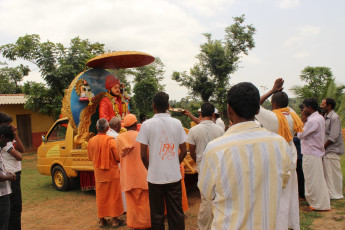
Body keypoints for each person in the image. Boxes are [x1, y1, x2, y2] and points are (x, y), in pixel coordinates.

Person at [198, 82, 293, 229]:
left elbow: (206, 191)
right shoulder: (280, 144)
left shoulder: (215, 149)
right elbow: (283, 182)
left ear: (229, 110)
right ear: (257, 110)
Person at [255, 78, 303, 230]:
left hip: (276, 158)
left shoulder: (273, 117)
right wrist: (277, 92)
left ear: (274, 104)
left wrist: (272, 90)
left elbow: (255, 105)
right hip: (291, 156)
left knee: (277, 195)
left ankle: (278, 225)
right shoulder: (293, 114)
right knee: (289, 193)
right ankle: (290, 223)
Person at [137, 92, 187, 230]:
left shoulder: (146, 125)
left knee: (157, 214)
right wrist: (174, 165)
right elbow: (183, 151)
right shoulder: (177, 123)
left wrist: (151, 168)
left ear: (154, 106)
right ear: (168, 106)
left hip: (155, 178)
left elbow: (142, 155)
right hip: (173, 177)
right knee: (176, 212)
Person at [186, 102, 224, 230]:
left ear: (201, 114)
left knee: (205, 198)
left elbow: (192, 150)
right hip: (218, 165)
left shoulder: (194, 130)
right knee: (218, 196)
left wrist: (197, 161)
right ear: (213, 114)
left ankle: (204, 227)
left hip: (203, 165)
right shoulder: (220, 129)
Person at [87, 118, 125, 227]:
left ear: (96, 127)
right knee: (114, 196)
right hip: (112, 174)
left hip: (99, 175)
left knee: (101, 197)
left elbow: (90, 157)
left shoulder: (91, 141)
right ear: (108, 128)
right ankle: (115, 221)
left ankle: (102, 220)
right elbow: (118, 158)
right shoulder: (111, 140)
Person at [117, 114, 151, 229]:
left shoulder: (119, 139)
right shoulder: (142, 137)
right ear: (136, 125)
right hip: (143, 175)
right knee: (145, 202)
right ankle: (146, 224)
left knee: (131, 204)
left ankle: (133, 224)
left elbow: (118, 157)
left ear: (125, 126)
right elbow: (148, 156)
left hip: (128, 177)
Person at [298, 98, 330, 211]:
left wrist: (302, 122)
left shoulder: (312, 121)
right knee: (316, 179)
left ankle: (317, 204)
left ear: (309, 108)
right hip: (315, 152)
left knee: (312, 179)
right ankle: (319, 203)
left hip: (311, 153)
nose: (303, 110)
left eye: (305, 107)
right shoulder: (319, 118)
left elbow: (300, 135)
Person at [0, 113, 25, 230]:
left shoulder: (7, 139)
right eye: (8, 125)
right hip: (9, 177)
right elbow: (19, 156)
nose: (11, 127)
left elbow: (22, 150)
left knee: (16, 208)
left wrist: (16, 135)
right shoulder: (3, 142)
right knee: (12, 210)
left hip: (14, 175)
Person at [320, 98, 344, 199]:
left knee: (333, 173)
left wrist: (323, 147)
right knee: (328, 174)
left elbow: (333, 137)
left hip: (332, 150)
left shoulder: (334, 118)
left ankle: (336, 194)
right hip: (327, 151)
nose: (321, 106)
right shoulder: (326, 117)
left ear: (329, 106)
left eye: (323, 104)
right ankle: (331, 193)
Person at [0, 124, 16, 230]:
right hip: (1, 195)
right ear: (2, 137)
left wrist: (6, 173)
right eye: (6, 141)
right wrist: (10, 177)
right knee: (3, 225)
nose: (6, 143)